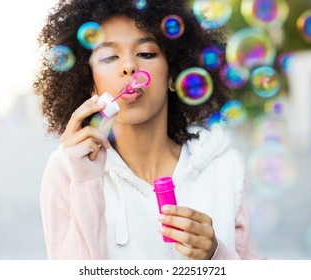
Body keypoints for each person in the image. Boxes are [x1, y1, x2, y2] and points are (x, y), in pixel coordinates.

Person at [34, 0, 258, 260]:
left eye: (146, 53)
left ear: (174, 74)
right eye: (109, 57)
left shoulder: (227, 167)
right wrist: (85, 180)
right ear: (89, 83)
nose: (129, 66)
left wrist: (216, 255)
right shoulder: (66, 170)